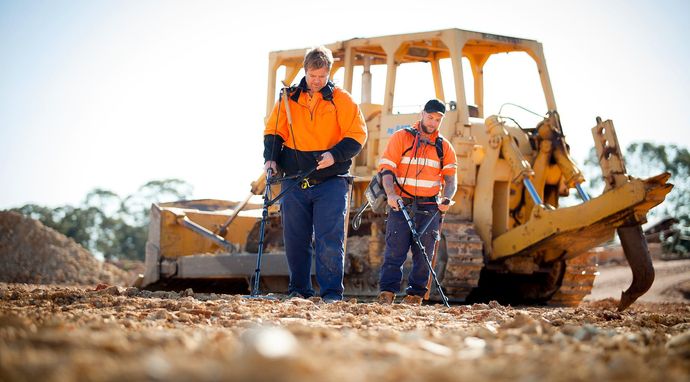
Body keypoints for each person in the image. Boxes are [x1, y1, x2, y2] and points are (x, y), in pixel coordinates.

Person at [262, 46, 367, 302]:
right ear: (305, 71)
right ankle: (299, 291)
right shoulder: (288, 98)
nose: (316, 81)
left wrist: (335, 155)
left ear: (329, 73)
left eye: (321, 76)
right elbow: (274, 132)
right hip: (294, 180)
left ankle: (331, 295)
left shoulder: (342, 100)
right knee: (296, 240)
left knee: (329, 239)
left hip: (331, 182)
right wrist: (271, 160)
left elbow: (357, 135)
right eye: (312, 76)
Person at [376, 99, 458, 305]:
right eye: (430, 117)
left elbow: (450, 179)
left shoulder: (444, 147)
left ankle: (415, 296)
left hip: (430, 207)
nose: (433, 123)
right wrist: (391, 194)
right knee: (395, 249)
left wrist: (446, 198)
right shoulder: (401, 138)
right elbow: (387, 171)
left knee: (425, 253)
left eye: (438, 119)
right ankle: (387, 294)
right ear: (422, 114)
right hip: (401, 203)